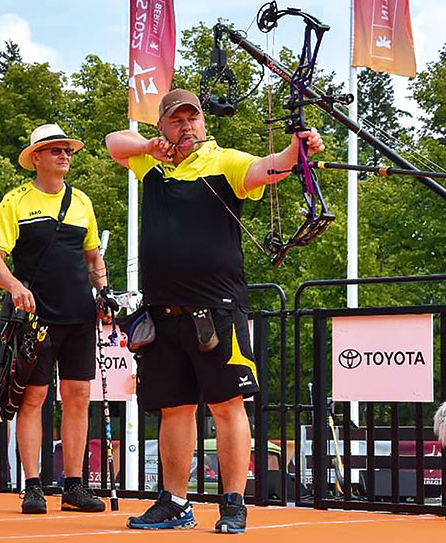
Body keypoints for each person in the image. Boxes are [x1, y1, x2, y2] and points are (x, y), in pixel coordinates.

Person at [105, 88, 324, 533]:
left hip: (217, 310)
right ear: (163, 127)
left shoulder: (224, 160)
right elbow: (113, 143)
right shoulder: (151, 163)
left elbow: (270, 168)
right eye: (176, 120)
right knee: (174, 408)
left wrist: (296, 148)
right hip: (163, 312)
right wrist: (149, 147)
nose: (187, 127)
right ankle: (174, 502)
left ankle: (232, 502)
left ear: (204, 123)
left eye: (193, 119)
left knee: (227, 405)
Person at [0, 124, 111, 515]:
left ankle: (74, 485)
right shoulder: (15, 201)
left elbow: (93, 258)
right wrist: (15, 287)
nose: (64, 156)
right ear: (35, 157)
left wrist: (104, 292)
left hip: (79, 314)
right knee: (33, 397)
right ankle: (34, 485)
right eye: (55, 150)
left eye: (67, 151)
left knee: (78, 396)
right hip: (35, 317)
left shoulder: (82, 202)